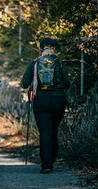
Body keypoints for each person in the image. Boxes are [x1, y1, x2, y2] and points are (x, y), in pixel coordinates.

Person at [21, 38, 70, 174]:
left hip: (41, 101)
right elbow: (67, 82)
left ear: (40, 49)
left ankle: (46, 165)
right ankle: (53, 159)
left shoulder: (34, 63)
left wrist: (33, 84)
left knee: (45, 132)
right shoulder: (59, 63)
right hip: (58, 101)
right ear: (54, 48)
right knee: (53, 130)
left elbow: (24, 83)